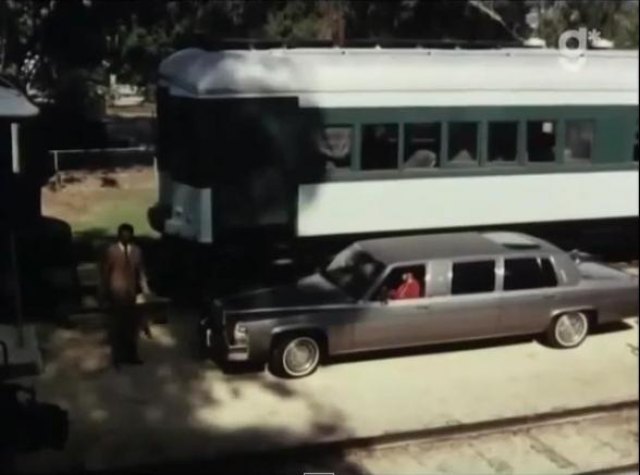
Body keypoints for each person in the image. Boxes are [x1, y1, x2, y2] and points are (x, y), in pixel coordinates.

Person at [99, 223, 151, 368]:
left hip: (131, 293)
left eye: (128, 234)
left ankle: (132, 355)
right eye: (123, 234)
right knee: (117, 327)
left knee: (132, 327)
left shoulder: (136, 251)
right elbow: (105, 273)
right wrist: (103, 293)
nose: (126, 236)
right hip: (116, 292)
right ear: (119, 235)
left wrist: (145, 290)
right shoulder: (112, 251)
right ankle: (118, 357)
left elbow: (140, 272)